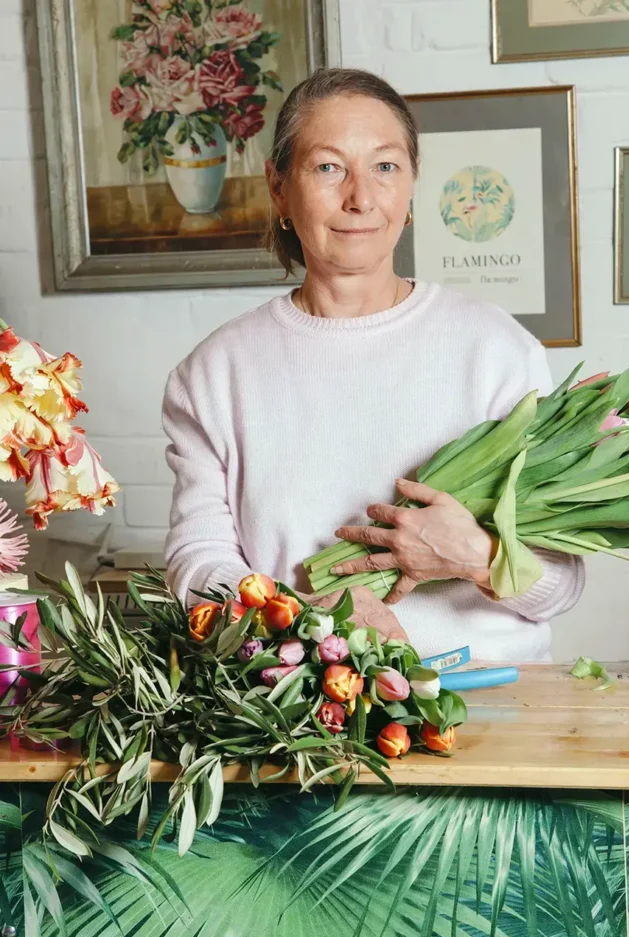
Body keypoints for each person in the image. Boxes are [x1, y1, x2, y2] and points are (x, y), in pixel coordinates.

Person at [162, 67, 584, 662]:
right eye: (329, 167)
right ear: (279, 188)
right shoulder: (213, 373)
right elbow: (197, 563)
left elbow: (562, 585)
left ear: (410, 187)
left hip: (496, 709)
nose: (360, 197)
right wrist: (308, 618)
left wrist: (475, 557)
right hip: (299, 707)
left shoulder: (496, 349)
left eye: (385, 167)